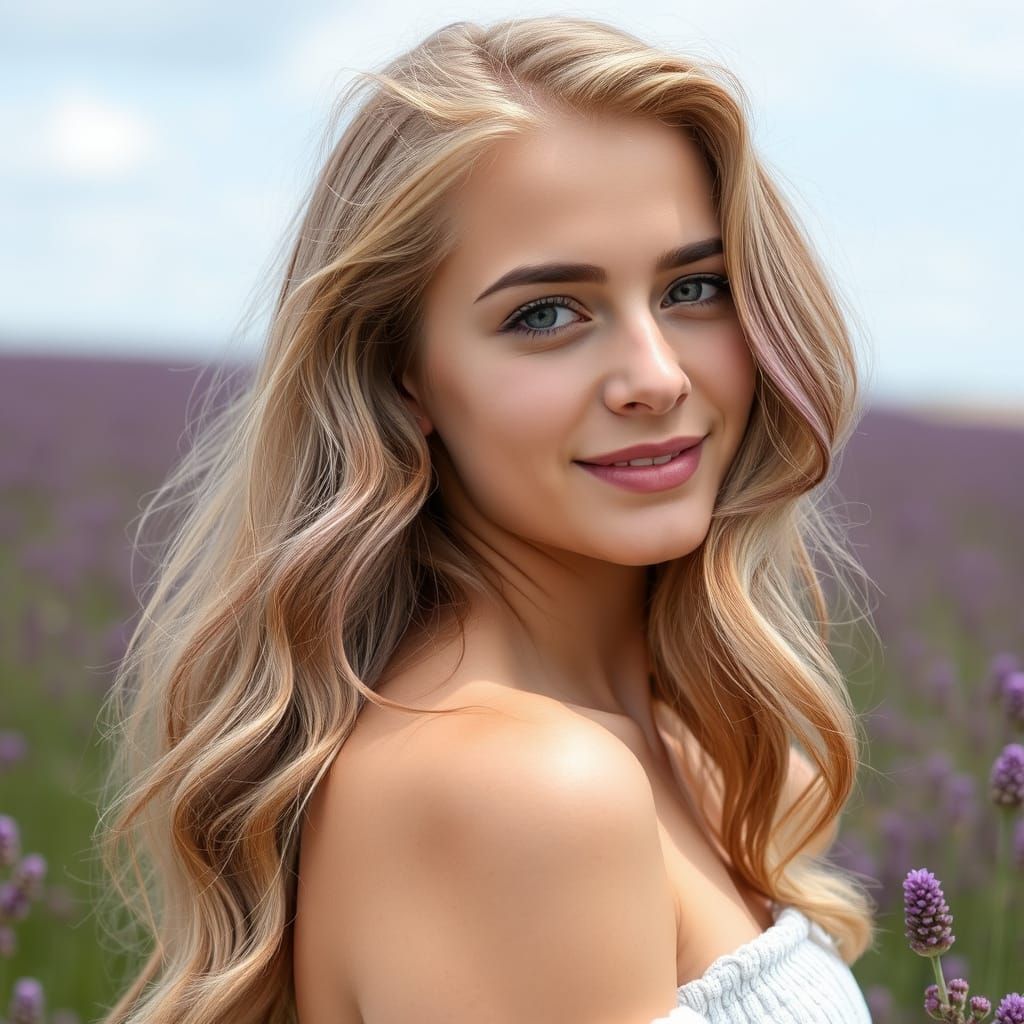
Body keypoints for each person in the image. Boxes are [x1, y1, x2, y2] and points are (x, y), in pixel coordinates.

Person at [95, 15, 879, 1024]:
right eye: (546, 313)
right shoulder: (525, 790)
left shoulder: (688, 756)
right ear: (403, 374)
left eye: (694, 288)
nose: (655, 374)